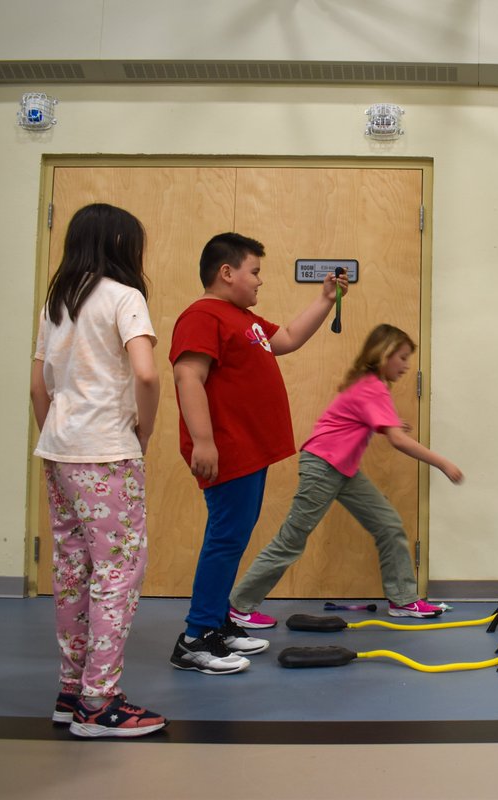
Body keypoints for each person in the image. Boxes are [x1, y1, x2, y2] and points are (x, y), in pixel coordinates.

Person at [168, 232, 348, 674]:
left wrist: (326, 300)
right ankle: (195, 638)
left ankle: (217, 623)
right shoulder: (203, 315)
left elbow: (285, 337)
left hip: (250, 451)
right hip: (227, 450)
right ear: (227, 273)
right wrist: (205, 441)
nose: (260, 281)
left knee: (234, 537)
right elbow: (188, 376)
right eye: (255, 271)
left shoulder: (241, 319)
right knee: (225, 538)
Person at [30, 203, 166, 737]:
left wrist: (55, 432)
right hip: (107, 450)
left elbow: (39, 386)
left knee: (72, 569)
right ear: (119, 244)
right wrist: (144, 431)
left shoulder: (57, 302)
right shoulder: (124, 297)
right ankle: (98, 702)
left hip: (59, 449)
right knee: (117, 571)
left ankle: (71, 691)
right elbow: (147, 376)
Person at [229, 323, 463, 627]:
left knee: (388, 524)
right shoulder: (373, 387)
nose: (406, 366)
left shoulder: (369, 385)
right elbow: (398, 440)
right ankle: (239, 606)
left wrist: (391, 424)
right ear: (385, 355)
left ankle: (403, 600)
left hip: (342, 469)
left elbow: (361, 421)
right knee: (292, 540)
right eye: (402, 357)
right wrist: (443, 463)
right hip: (323, 467)